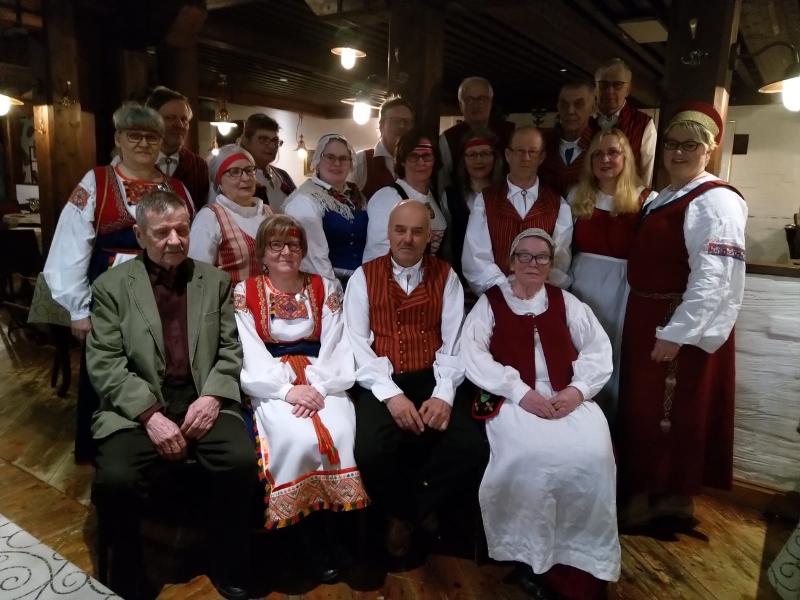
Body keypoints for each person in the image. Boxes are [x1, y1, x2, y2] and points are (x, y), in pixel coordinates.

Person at [88, 191, 256, 600]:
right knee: (116, 478)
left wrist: (213, 397)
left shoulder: (214, 281)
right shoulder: (112, 286)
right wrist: (150, 415)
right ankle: (127, 567)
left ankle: (227, 556)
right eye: (162, 232)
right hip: (137, 405)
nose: (175, 240)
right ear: (139, 235)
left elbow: (231, 350)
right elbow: (105, 362)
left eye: (182, 229)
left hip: (202, 397)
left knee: (240, 461)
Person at [462, 228, 618, 600]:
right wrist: (519, 391)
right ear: (511, 262)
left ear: (551, 264)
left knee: (594, 455)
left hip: (566, 396)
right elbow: (473, 355)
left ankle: (581, 558)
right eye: (525, 256)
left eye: (542, 257)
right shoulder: (490, 303)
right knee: (532, 455)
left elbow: (598, 349)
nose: (533, 263)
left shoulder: (567, 302)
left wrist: (577, 390)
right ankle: (530, 555)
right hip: (513, 400)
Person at [616, 102, 747, 527]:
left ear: (710, 149)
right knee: (641, 407)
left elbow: (716, 277)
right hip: (647, 312)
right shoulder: (667, 196)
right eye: (672, 143)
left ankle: (658, 498)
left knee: (666, 412)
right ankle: (659, 496)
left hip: (675, 320)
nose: (677, 152)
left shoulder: (716, 201)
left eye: (690, 145)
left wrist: (678, 332)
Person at [43, 103, 193, 462]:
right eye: (134, 136)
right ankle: (109, 452)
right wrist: (79, 310)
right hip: (110, 294)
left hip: (165, 290)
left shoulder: (176, 187)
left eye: (151, 137)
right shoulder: (95, 182)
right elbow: (69, 246)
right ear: (118, 139)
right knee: (109, 366)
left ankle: (163, 440)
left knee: (161, 361)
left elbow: (189, 245)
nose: (143, 143)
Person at [344, 201, 487, 558]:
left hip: (433, 377)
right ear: (388, 233)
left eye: (417, 231)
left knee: (471, 446)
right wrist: (391, 395)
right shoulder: (363, 277)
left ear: (429, 237)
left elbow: (454, 342)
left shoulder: (446, 276)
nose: (407, 238)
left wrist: (443, 395)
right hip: (381, 380)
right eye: (400, 230)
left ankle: (406, 512)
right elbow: (357, 345)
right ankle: (409, 513)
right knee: (369, 451)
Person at [234, 214, 367, 582]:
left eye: (293, 244)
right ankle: (300, 537)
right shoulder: (245, 292)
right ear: (262, 252)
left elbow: (337, 342)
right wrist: (286, 390)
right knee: (294, 436)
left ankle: (333, 531)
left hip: (323, 376)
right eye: (276, 245)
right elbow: (249, 349)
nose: (285, 252)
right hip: (271, 379)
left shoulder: (326, 287)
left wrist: (320, 388)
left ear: (303, 249)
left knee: (341, 433)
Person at [567, 128, 655, 421]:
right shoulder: (577, 196)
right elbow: (562, 247)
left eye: (613, 152)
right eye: (598, 154)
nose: (605, 159)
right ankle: (580, 415)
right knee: (581, 348)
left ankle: (612, 420)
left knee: (616, 351)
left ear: (626, 157)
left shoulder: (647, 199)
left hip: (623, 288)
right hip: (582, 283)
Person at [462, 126, 572, 296]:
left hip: (541, 299)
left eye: (532, 152)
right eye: (519, 151)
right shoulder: (485, 200)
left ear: (541, 157)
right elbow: (476, 258)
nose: (526, 157)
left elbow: (560, 261)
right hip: (496, 297)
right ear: (508, 155)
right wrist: (507, 290)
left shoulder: (558, 204)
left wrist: (535, 293)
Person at [283, 134, 368, 289]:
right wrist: (333, 293)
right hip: (329, 284)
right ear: (317, 161)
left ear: (351, 163)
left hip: (362, 282)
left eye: (344, 158)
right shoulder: (305, 200)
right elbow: (314, 258)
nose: (337, 163)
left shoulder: (357, 197)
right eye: (330, 157)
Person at [188, 145, 273, 285]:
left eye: (249, 170)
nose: (245, 178)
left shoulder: (268, 213)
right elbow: (198, 277)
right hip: (232, 298)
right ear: (219, 183)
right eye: (235, 172)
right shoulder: (210, 217)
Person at [363, 129, 447, 263]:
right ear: (402, 160)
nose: (421, 163)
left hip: (428, 274)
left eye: (427, 156)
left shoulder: (434, 197)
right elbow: (376, 255)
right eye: (413, 156)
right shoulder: (386, 198)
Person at [440, 127, 503, 282]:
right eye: (472, 155)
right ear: (464, 160)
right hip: (461, 281)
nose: (479, 160)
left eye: (485, 154)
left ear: (495, 158)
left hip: (501, 282)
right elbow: (447, 245)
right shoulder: (450, 196)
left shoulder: (506, 195)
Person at [438, 76, 515, 192]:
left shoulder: (511, 133)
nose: (475, 105)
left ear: (491, 102)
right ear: (460, 105)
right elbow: (443, 182)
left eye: (482, 99)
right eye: (468, 100)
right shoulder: (447, 139)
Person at [145, 86, 210, 210]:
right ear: (150, 121)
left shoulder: (199, 166)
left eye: (184, 119)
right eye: (170, 118)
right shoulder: (136, 162)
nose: (180, 125)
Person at [593, 59, 657, 185]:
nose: (609, 91)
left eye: (617, 84)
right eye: (603, 84)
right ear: (595, 87)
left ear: (628, 89)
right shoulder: (584, 118)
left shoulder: (644, 123)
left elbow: (647, 174)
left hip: (627, 195)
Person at [539, 80, 601, 198]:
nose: (570, 111)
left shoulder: (600, 144)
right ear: (558, 107)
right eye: (564, 104)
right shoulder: (543, 143)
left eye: (579, 104)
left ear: (592, 108)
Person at [352, 96, 414, 199]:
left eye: (407, 121)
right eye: (395, 121)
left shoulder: (417, 162)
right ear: (381, 126)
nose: (402, 126)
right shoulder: (361, 160)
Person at [233, 113, 297, 212]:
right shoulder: (237, 178)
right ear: (246, 141)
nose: (271, 146)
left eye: (275, 141)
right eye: (263, 139)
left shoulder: (283, 175)